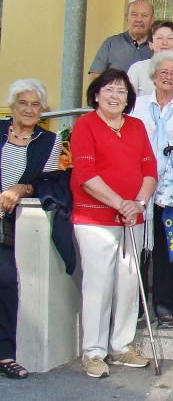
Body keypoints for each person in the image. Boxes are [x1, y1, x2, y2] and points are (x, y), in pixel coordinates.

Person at [71, 69, 157, 378]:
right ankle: (93, 351)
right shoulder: (85, 126)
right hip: (95, 218)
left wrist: (138, 202)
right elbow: (85, 174)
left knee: (129, 280)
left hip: (132, 216)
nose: (115, 95)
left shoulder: (135, 126)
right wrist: (118, 202)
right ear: (96, 94)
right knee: (99, 283)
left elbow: (150, 168)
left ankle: (122, 345)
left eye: (121, 91)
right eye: (108, 89)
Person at [0, 79, 61, 380]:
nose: (28, 109)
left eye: (35, 104)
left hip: (11, 225)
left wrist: (22, 188)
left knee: (7, 281)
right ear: (11, 107)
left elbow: (49, 182)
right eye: (22, 103)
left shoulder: (48, 142)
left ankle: (5, 354)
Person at [130, 52, 173, 329]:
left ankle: (165, 306)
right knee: (139, 251)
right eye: (164, 72)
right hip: (138, 188)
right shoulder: (137, 106)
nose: (169, 77)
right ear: (154, 75)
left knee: (167, 252)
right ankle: (137, 306)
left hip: (169, 190)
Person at [127, 20, 173, 97]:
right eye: (159, 38)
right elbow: (128, 100)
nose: (165, 42)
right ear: (151, 44)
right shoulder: (137, 69)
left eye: (170, 38)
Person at [89, 0, 155, 79]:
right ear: (127, 17)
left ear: (152, 20)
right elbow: (95, 75)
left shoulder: (158, 46)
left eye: (144, 15)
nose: (138, 19)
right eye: (134, 14)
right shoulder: (111, 43)